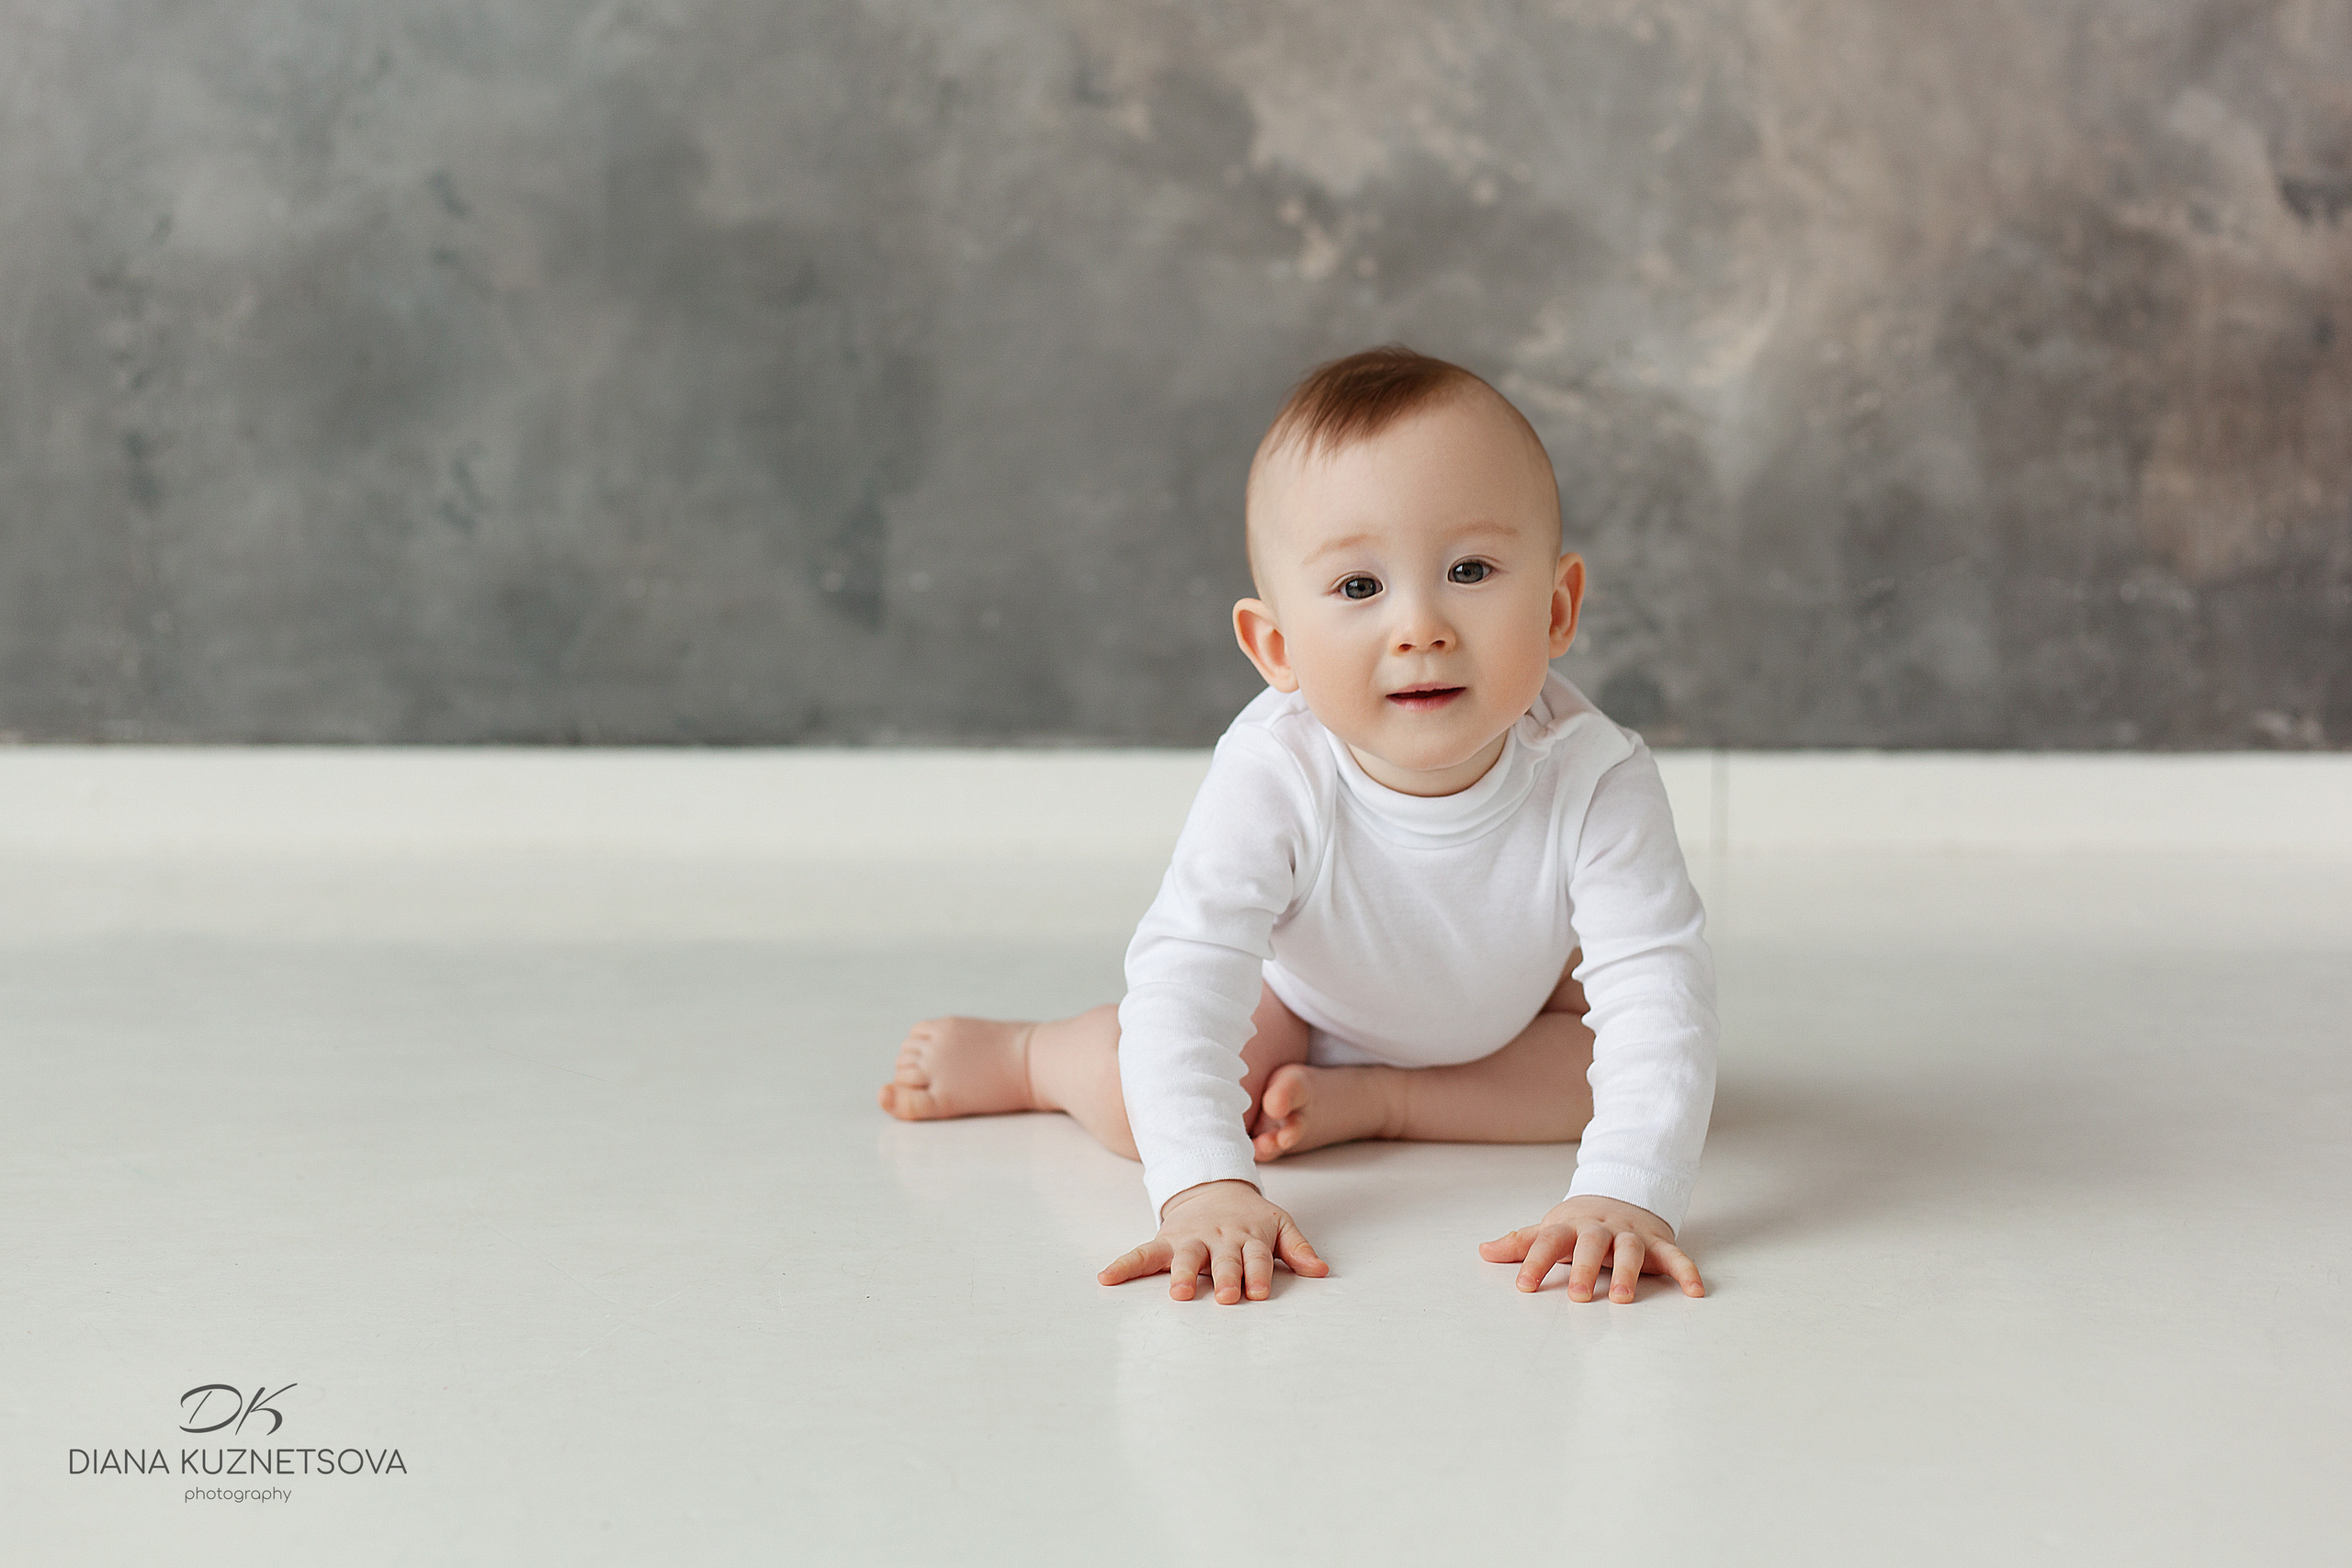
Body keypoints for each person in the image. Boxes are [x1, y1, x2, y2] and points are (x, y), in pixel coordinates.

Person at [880, 345, 1717, 1308]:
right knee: (1158, 1094)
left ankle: (1390, 1103)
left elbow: (1657, 988)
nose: (1420, 626)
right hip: (1306, 1007)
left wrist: (1626, 1197)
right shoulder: (1275, 772)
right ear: (1274, 647)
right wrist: (1206, 1189)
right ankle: (1037, 1057)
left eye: (1470, 569)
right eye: (1359, 588)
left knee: (1617, 1070)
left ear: (1559, 605)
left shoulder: (1597, 775)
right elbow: (1192, 967)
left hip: (1514, 1013)